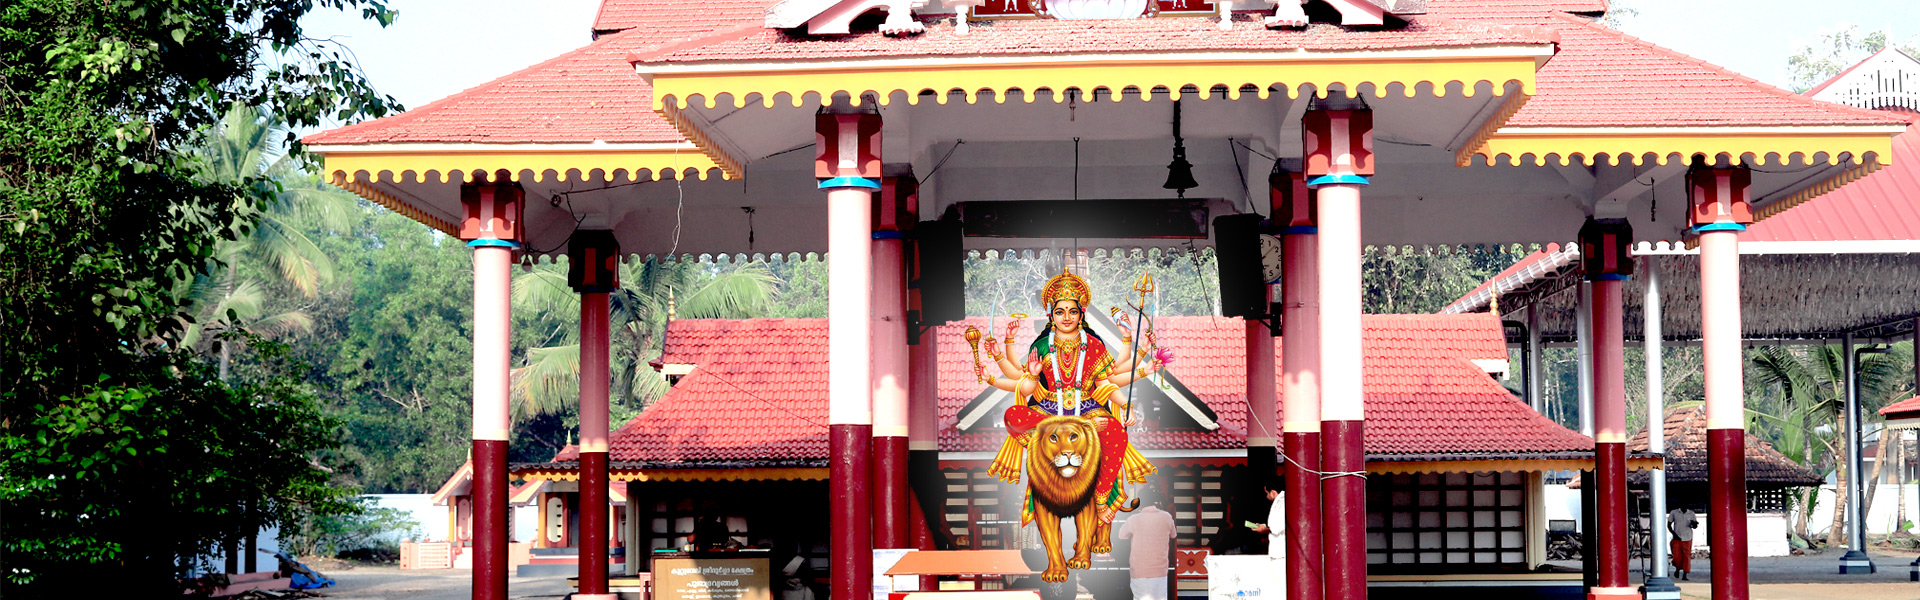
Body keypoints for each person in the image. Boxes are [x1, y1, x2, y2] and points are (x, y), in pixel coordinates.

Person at [980, 268, 1167, 524]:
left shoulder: (1094, 344)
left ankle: (1101, 497)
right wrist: (1033, 375)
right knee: (1013, 415)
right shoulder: (1041, 345)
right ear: (1051, 315)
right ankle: (1047, 455)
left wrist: (1125, 405)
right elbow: (1025, 389)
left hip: (1087, 413)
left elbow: (1105, 382)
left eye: (1072, 311)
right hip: (1049, 413)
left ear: (1081, 314)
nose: (1066, 317)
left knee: (1115, 431)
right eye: (1060, 311)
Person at [1114, 492, 1176, 600]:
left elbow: (1121, 535)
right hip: (1160, 570)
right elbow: (1173, 535)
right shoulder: (1167, 517)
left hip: (1139, 570)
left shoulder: (1133, 519)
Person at [1250, 480, 1286, 560]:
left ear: (1273, 492)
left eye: (1267, 493)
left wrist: (1264, 529)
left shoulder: (1281, 502)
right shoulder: (1279, 501)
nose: (1266, 497)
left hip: (1280, 550)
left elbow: (1277, 528)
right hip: (1278, 549)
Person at [1668, 506, 1698, 580]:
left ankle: (1685, 574)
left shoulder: (1691, 513)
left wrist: (1694, 524)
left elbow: (1694, 526)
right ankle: (1677, 570)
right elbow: (1669, 525)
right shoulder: (1674, 512)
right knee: (1677, 557)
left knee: (1686, 557)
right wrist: (1674, 534)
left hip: (1687, 537)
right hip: (1677, 537)